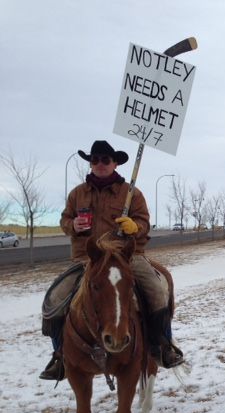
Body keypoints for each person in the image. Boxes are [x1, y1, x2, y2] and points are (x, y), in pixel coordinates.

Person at [39, 140, 184, 381]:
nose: (99, 164)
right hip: (87, 259)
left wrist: (133, 226)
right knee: (53, 300)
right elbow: (65, 220)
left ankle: (163, 347)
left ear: (115, 163)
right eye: (94, 160)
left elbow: (145, 225)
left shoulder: (131, 194)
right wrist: (72, 225)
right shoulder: (77, 194)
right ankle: (60, 356)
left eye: (105, 160)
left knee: (158, 291)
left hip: (125, 257)